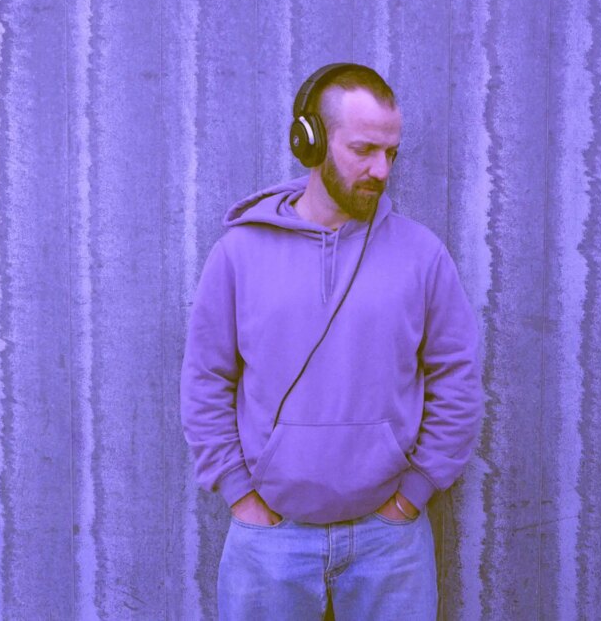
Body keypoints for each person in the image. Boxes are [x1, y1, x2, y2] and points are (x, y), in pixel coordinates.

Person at [180, 63, 482, 620]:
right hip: (269, 540)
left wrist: (412, 492)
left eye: (391, 153)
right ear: (310, 141)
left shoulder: (422, 255)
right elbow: (206, 378)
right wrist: (238, 494)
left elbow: (456, 376)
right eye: (364, 149)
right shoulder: (239, 255)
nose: (380, 169)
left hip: (388, 542)